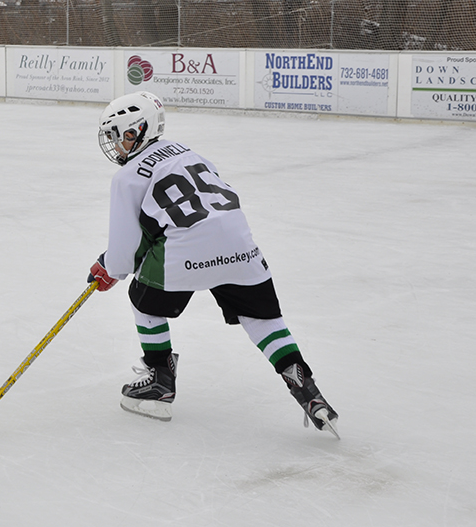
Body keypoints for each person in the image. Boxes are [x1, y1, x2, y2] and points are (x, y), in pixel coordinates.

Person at [87, 91, 338, 437]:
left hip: (185, 250)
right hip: (239, 244)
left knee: (142, 300)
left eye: (120, 136)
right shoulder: (188, 152)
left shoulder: (127, 176)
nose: (116, 145)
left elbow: (124, 252)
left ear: (139, 130)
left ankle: (160, 379)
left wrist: (109, 267)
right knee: (263, 320)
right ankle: (307, 390)